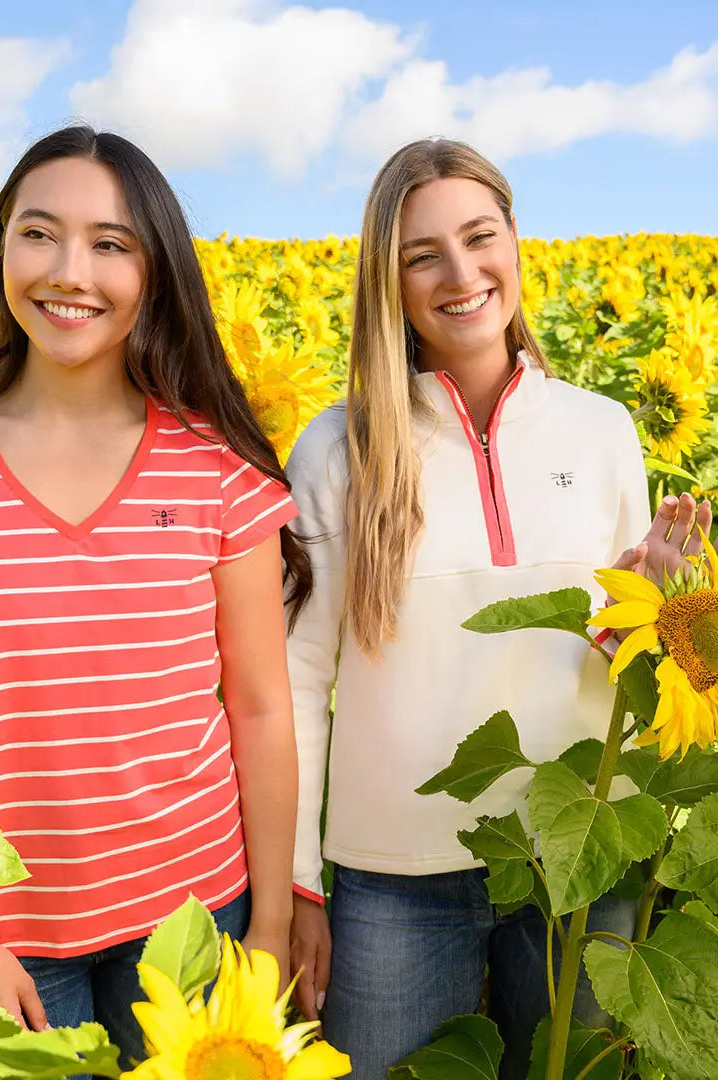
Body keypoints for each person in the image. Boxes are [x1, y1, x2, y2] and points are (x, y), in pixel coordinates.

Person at [0, 126, 302, 1057]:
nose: (68, 271)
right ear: (2, 246)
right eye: (38, 233)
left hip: (194, 915)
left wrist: (274, 925)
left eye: (111, 244)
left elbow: (258, 706)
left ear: (155, 270)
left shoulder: (213, 463)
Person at [284, 138, 711, 1080]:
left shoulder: (603, 429)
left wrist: (649, 603)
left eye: (480, 237)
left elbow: (607, 660)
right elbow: (300, 677)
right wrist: (298, 882)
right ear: (386, 280)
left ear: (517, 241)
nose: (461, 273)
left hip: (577, 856)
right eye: (421, 254)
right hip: (392, 876)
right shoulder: (336, 449)